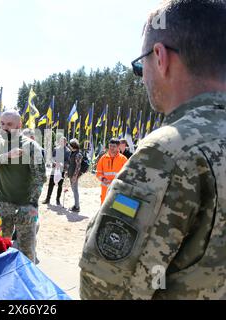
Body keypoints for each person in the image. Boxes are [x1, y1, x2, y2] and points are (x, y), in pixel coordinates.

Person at [80, 0, 226, 300]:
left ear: (160, 57)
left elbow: (106, 289)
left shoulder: (169, 151)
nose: (142, 76)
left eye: (139, 65)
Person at [0, 110, 46, 262]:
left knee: (27, 250)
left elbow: (39, 178)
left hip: (26, 206)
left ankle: (27, 282)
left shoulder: (31, 146)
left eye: (9, 124)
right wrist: (6, 156)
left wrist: (32, 204)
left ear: (19, 125)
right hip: (3, 203)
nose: (4, 127)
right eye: (2, 123)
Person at [95, 138, 128, 204]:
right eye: (110, 146)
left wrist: (115, 181)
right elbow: (98, 173)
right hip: (105, 188)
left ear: (118, 147)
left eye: (114, 146)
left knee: (116, 207)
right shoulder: (103, 158)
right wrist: (104, 179)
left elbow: (126, 174)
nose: (111, 148)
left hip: (117, 188)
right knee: (104, 206)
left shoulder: (123, 159)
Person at [42, 137, 70, 206]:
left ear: (65, 142)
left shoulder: (68, 151)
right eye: (60, 141)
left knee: (60, 185)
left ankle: (58, 200)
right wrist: (54, 162)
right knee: (51, 184)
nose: (61, 143)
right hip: (54, 169)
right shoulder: (55, 149)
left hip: (62, 170)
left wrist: (62, 164)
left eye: (63, 142)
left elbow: (68, 161)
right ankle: (47, 199)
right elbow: (52, 158)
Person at [67, 139, 84, 213]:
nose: (69, 146)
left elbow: (78, 167)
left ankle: (77, 207)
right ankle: (76, 205)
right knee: (74, 190)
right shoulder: (73, 152)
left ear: (73, 146)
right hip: (71, 174)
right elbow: (71, 164)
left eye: (70, 145)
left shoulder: (78, 154)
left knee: (75, 191)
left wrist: (74, 177)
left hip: (74, 175)